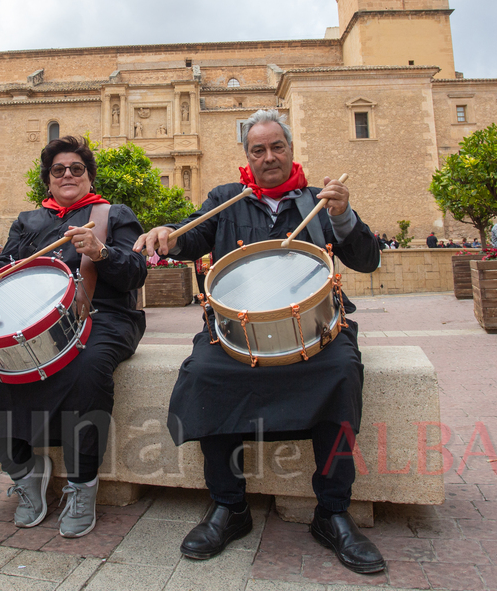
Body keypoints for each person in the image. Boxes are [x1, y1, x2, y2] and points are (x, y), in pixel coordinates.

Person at [133, 109, 386, 576]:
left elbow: (367, 260)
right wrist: (167, 236)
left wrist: (345, 216)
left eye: (277, 147)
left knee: (342, 372)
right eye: (258, 150)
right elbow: (192, 235)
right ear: (247, 155)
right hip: (236, 328)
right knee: (207, 372)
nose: (269, 157)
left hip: (315, 328)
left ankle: (332, 512)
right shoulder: (227, 199)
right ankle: (229, 506)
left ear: (290, 149)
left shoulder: (319, 200)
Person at [0, 135, 148, 538]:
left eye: (76, 169)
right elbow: (1, 266)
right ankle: (23, 469)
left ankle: (82, 485)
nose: (67, 175)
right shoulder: (29, 221)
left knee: (88, 370)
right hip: (29, 324)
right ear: (48, 179)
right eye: (58, 170)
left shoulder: (112, 214)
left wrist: (102, 253)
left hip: (103, 316)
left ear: (89, 176)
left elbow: (136, 270)